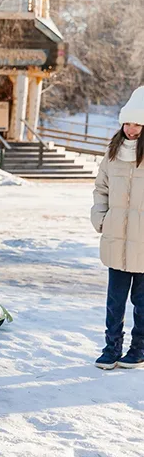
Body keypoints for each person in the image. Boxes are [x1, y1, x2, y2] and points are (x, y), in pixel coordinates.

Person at [92, 86, 144, 370]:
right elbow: (101, 189)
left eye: (137, 123)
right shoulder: (112, 153)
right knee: (115, 301)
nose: (131, 128)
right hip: (117, 238)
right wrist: (101, 218)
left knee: (142, 302)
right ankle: (111, 348)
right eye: (127, 122)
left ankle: (139, 350)